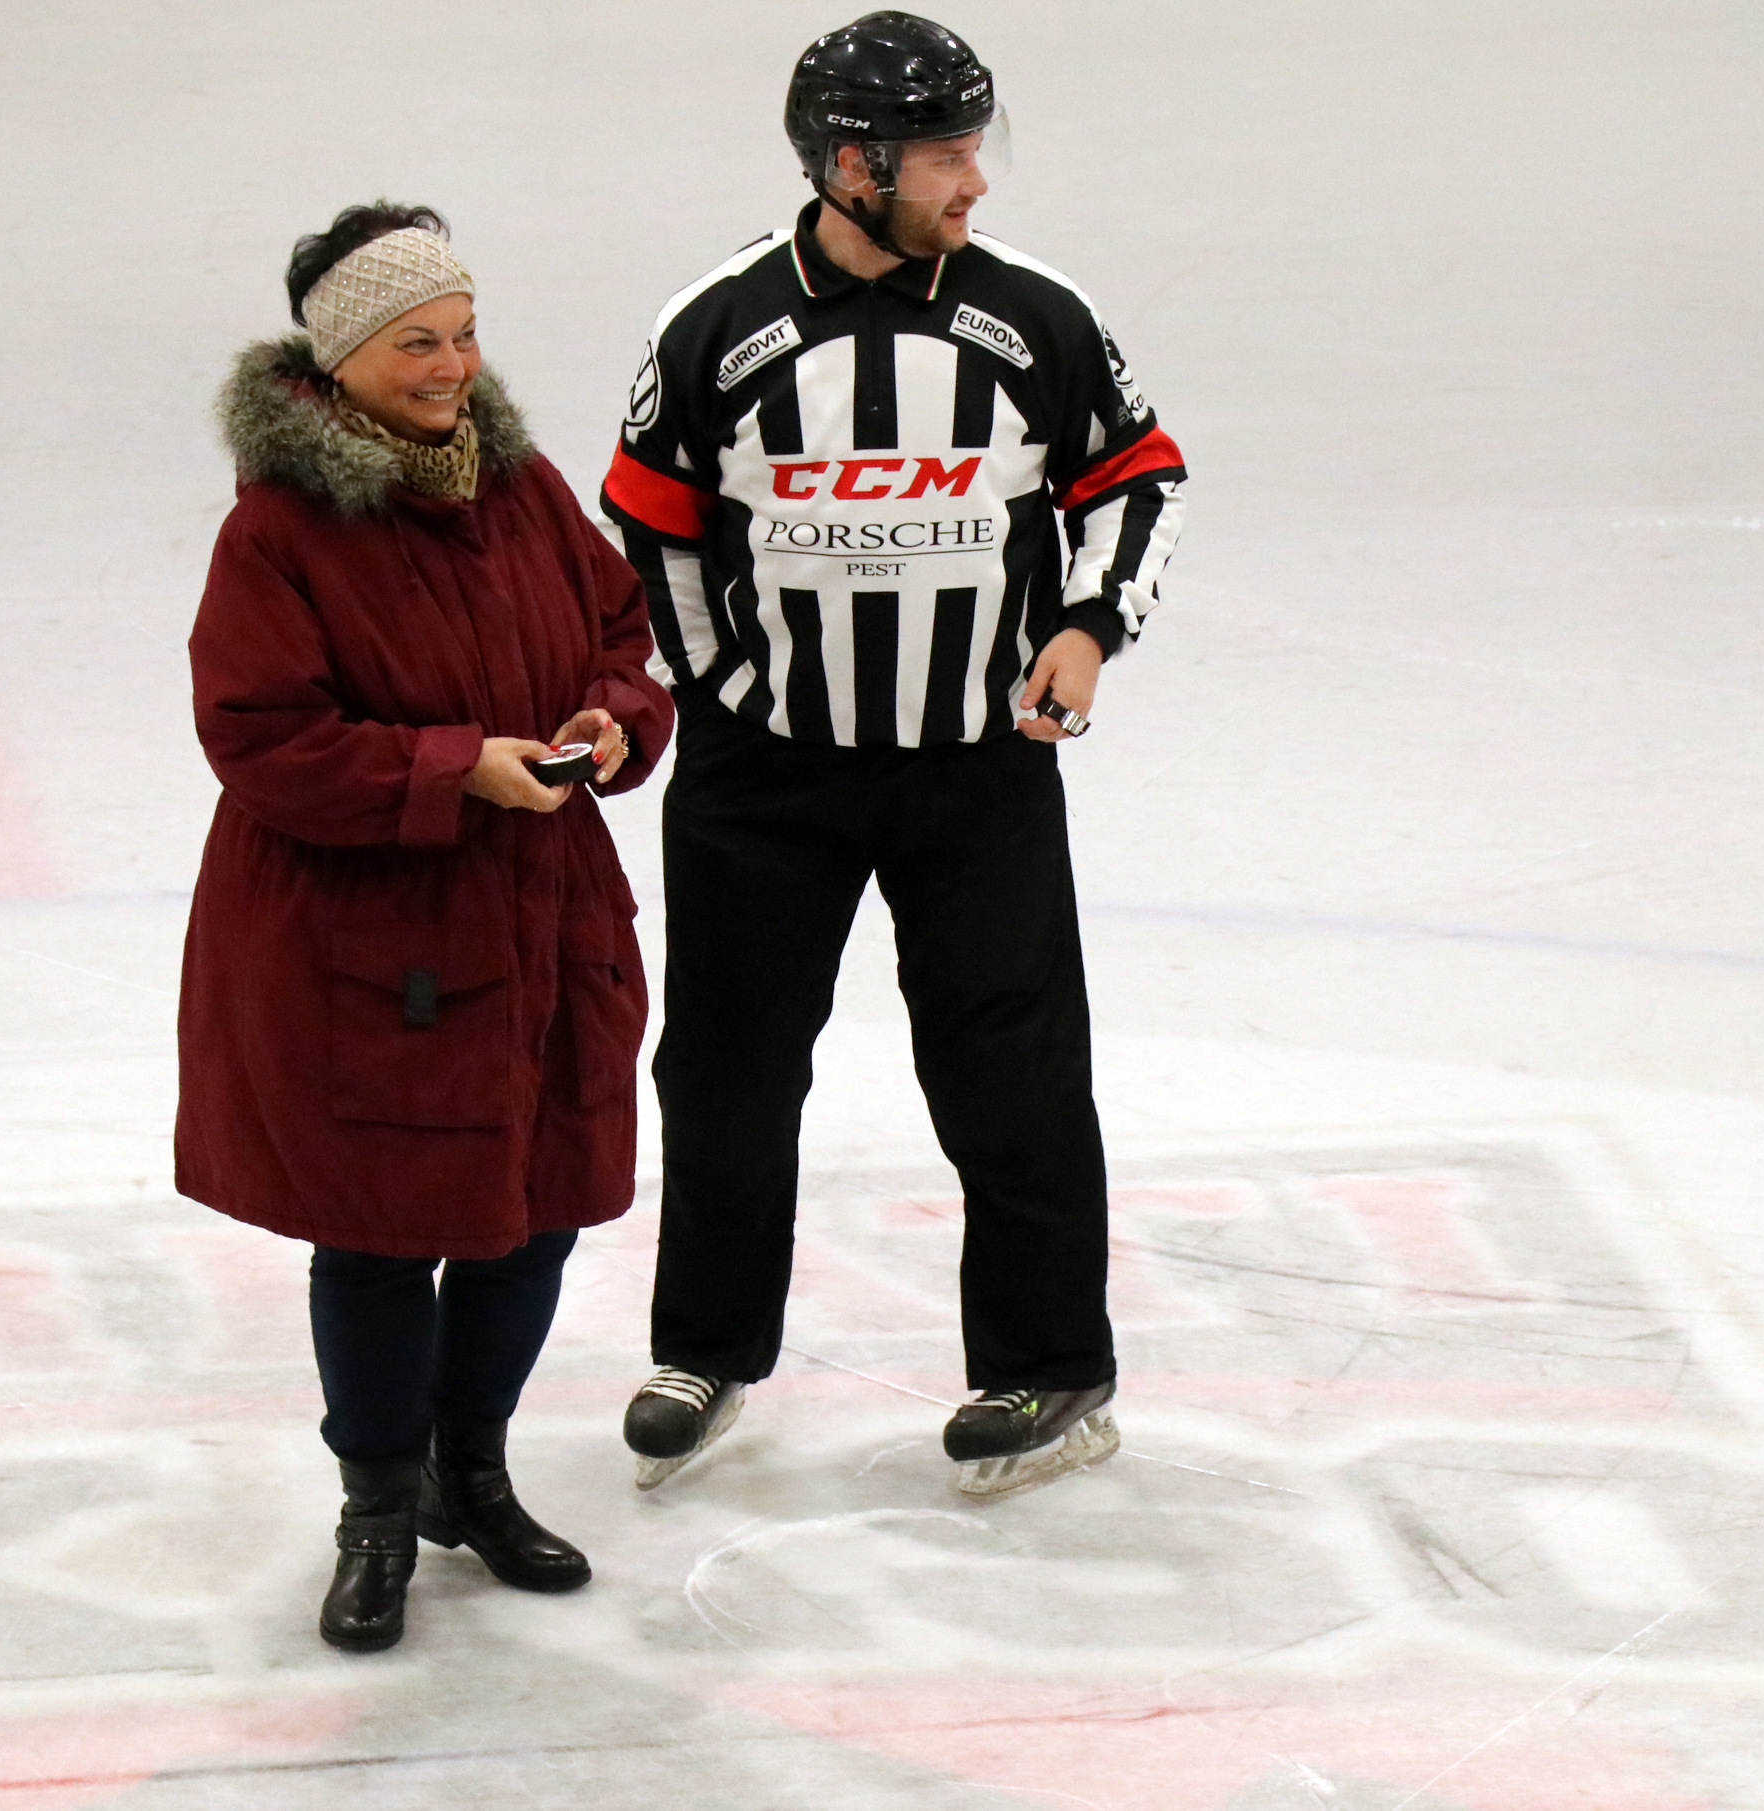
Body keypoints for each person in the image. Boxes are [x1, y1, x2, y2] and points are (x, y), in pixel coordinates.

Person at [598, 14, 1188, 1498]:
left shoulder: (1038, 316)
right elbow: (652, 524)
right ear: (852, 165)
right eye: (945, 157)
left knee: (1014, 1074)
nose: (974, 181)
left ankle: (1050, 1365)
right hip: (763, 781)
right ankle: (706, 1348)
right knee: (727, 1069)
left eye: (976, 149)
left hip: (975, 773)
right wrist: (722, 688)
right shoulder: (714, 324)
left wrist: (1088, 629)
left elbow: (1138, 478)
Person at [177, 202, 673, 1651]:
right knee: (385, 1237)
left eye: (463, 334)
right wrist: (458, 770)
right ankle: (379, 1511)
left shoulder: (522, 490)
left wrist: (612, 720)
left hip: (543, 918)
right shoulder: (279, 530)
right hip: (375, 944)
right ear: (338, 361)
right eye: (416, 343)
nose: (453, 365)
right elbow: (261, 737)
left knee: (535, 1214)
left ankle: (473, 1472)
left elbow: (621, 633)